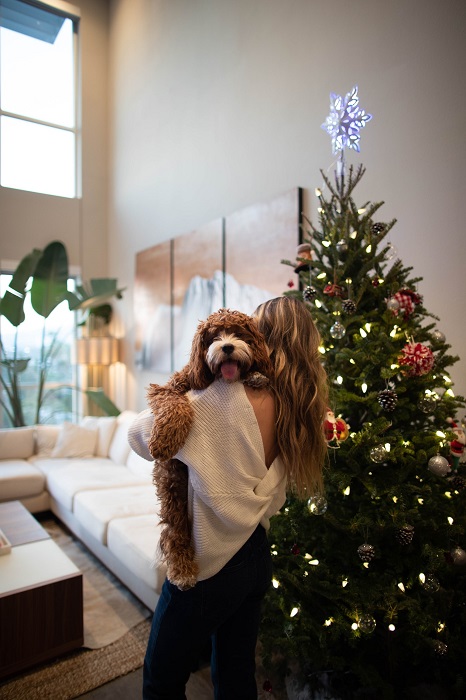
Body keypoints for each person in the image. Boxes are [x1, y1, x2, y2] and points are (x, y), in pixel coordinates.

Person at [128, 295, 329, 700]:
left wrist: (183, 389)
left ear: (260, 340)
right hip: (255, 555)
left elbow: (138, 435)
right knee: (235, 675)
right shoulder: (298, 405)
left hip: (208, 562)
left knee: (162, 677)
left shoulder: (220, 400)